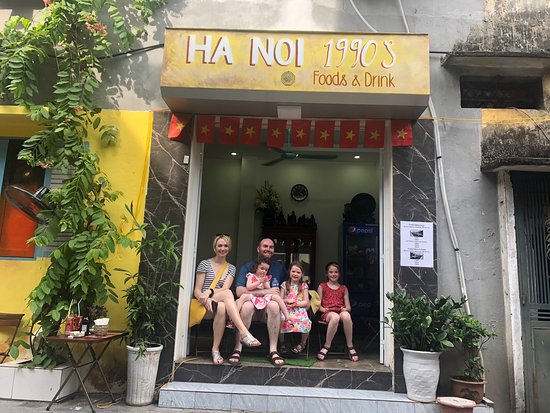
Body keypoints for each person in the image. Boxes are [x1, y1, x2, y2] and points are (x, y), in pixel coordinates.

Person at [193, 234, 261, 365]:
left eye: (225, 246)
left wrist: (210, 292)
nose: (222, 248)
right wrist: (204, 297)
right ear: (214, 247)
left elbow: (224, 288)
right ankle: (244, 332)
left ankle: (215, 350)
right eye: (219, 245)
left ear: (229, 248)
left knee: (223, 304)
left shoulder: (231, 268)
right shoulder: (205, 264)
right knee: (228, 294)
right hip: (203, 304)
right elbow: (197, 290)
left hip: (218, 302)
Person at [229, 238, 288, 367]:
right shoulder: (248, 267)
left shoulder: (279, 268)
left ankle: (273, 350)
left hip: (268, 310)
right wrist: (265, 292)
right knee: (247, 305)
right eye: (265, 246)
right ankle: (237, 348)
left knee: (274, 305)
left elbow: (287, 287)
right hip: (252, 309)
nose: (268, 249)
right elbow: (239, 291)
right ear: (258, 249)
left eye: (271, 247)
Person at [316, 261, 358, 362]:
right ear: (327, 273)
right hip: (328, 312)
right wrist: (323, 309)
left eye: (336, 272)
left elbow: (348, 307)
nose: (333, 274)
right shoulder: (322, 286)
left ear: (339, 274)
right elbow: (318, 305)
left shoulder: (343, 288)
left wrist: (345, 309)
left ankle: (350, 345)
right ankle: (327, 346)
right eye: (331, 272)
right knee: (335, 317)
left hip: (340, 310)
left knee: (346, 315)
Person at [238, 257, 292, 326]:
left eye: (266, 270)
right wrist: (259, 281)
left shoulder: (266, 278)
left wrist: (264, 282)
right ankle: (234, 316)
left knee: (276, 297)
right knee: (243, 296)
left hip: (263, 297)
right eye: (262, 268)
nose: (264, 271)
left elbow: (268, 288)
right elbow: (249, 287)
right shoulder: (251, 276)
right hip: (253, 295)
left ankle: (287, 317)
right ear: (256, 267)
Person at [278, 261, 311, 354]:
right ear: (289, 272)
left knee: (306, 321)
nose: (295, 274)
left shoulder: (303, 286)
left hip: (299, 309)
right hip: (286, 309)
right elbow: (280, 299)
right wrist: (287, 301)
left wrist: (296, 303)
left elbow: (306, 301)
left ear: (302, 274)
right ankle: (282, 343)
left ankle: (302, 343)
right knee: (281, 319)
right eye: (293, 271)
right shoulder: (285, 285)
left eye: (298, 272)